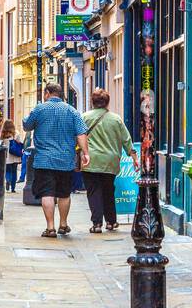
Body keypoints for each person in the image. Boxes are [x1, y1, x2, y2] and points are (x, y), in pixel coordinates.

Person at [22, 82, 89, 237]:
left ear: (47, 93)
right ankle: (63, 224)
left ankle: (50, 227)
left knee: (47, 193)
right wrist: (85, 153)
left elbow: (26, 125)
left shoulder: (40, 109)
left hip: (44, 160)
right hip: (65, 160)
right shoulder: (72, 111)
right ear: (60, 94)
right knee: (64, 193)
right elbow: (81, 134)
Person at [81, 88, 137, 233]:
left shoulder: (85, 117)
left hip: (90, 160)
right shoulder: (115, 119)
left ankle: (97, 223)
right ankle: (111, 222)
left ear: (92, 102)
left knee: (93, 191)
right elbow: (126, 139)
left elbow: (78, 136)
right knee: (108, 190)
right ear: (107, 103)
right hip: (110, 161)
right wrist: (134, 157)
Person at [1, 119, 23, 191]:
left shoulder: (2, 133)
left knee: (7, 170)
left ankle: (7, 180)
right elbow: (19, 142)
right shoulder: (16, 133)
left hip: (6, 155)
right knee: (14, 171)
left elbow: (0, 142)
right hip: (15, 155)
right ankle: (13, 188)